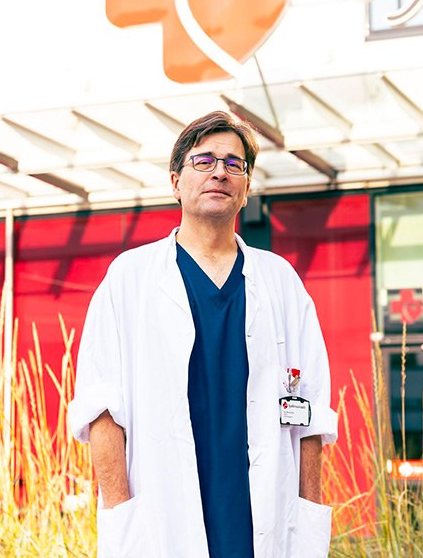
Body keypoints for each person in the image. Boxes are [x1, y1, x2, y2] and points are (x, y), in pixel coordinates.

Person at [69, 111, 337, 558]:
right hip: (159, 522)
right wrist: (121, 511)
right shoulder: (129, 278)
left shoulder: (280, 282)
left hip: (264, 521)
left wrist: (307, 508)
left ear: (247, 188)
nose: (220, 172)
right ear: (176, 181)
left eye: (235, 164)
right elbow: (100, 409)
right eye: (204, 160)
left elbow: (309, 412)